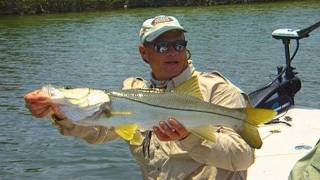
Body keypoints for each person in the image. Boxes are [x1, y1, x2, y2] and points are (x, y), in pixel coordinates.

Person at [24, 15, 255, 179]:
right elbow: (99, 132)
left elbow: (243, 158)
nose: (173, 51)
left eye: (179, 44)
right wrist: (61, 113)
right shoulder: (132, 90)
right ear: (144, 52)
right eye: (162, 46)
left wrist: (189, 137)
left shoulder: (216, 90)